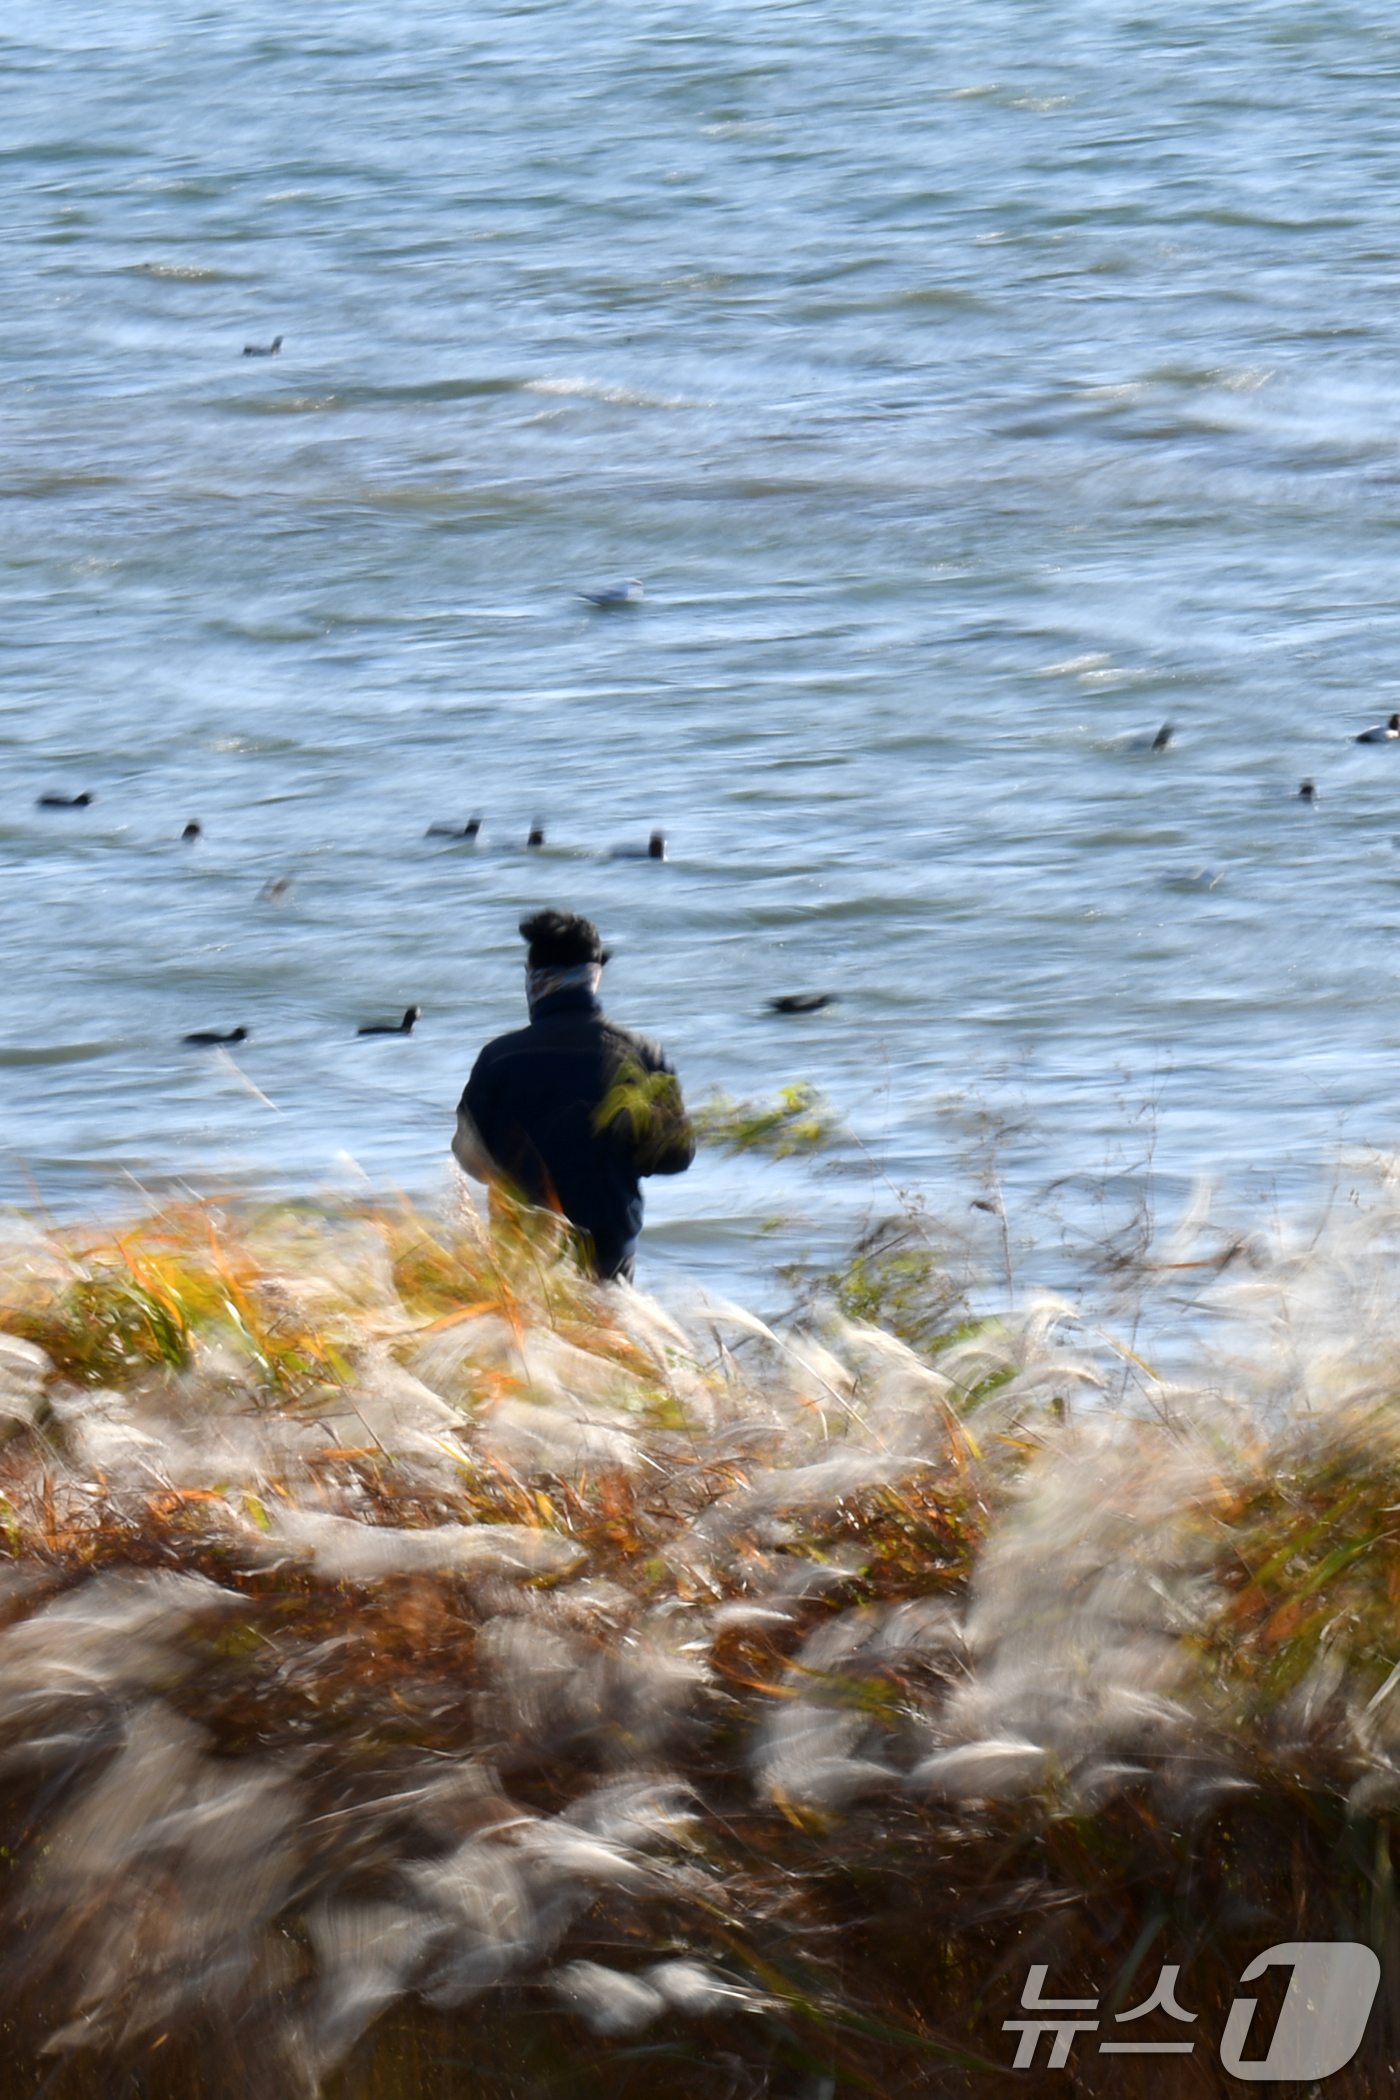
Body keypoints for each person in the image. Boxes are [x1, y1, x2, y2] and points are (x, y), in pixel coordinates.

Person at [453, 909, 694, 1281]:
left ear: (532, 976)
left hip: (523, 1250)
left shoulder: (499, 1058)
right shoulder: (644, 1055)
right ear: (595, 975)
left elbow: (470, 1159)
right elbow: (676, 1157)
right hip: (610, 1251)